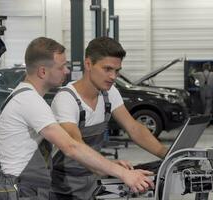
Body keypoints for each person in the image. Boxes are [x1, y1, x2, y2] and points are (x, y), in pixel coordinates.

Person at [0, 37, 154, 200]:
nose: (67, 71)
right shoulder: (30, 101)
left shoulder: (26, 97)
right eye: (62, 67)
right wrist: (122, 173)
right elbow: (71, 146)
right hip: (22, 191)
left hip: (30, 189)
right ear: (42, 71)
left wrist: (110, 167)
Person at [50, 36, 168, 199]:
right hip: (64, 189)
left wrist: (167, 155)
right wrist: (118, 171)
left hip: (92, 182)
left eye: (117, 71)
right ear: (88, 64)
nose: (113, 76)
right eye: (107, 69)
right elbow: (75, 146)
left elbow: (134, 128)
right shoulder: (66, 99)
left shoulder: (109, 93)